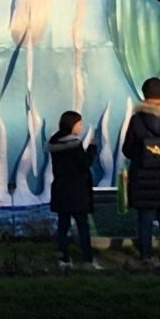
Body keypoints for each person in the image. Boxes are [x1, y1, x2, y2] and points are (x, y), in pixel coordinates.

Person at [121, 78, 160, 265]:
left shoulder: (137, 119)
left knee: (145, 220)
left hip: (143, 179)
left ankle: (146, 256)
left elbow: (128, 149)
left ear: (144, 94)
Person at [47, 110, 97, 270]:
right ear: (72, 124)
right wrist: (92, 149)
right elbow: (83, 164)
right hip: (77, 191)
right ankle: (88, 258)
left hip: (61, 189)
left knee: (63, 225)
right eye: (79, 123)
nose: (81, 127)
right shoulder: (74, 144)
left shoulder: (54, 142)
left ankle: (64, 257)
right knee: (83, 225)